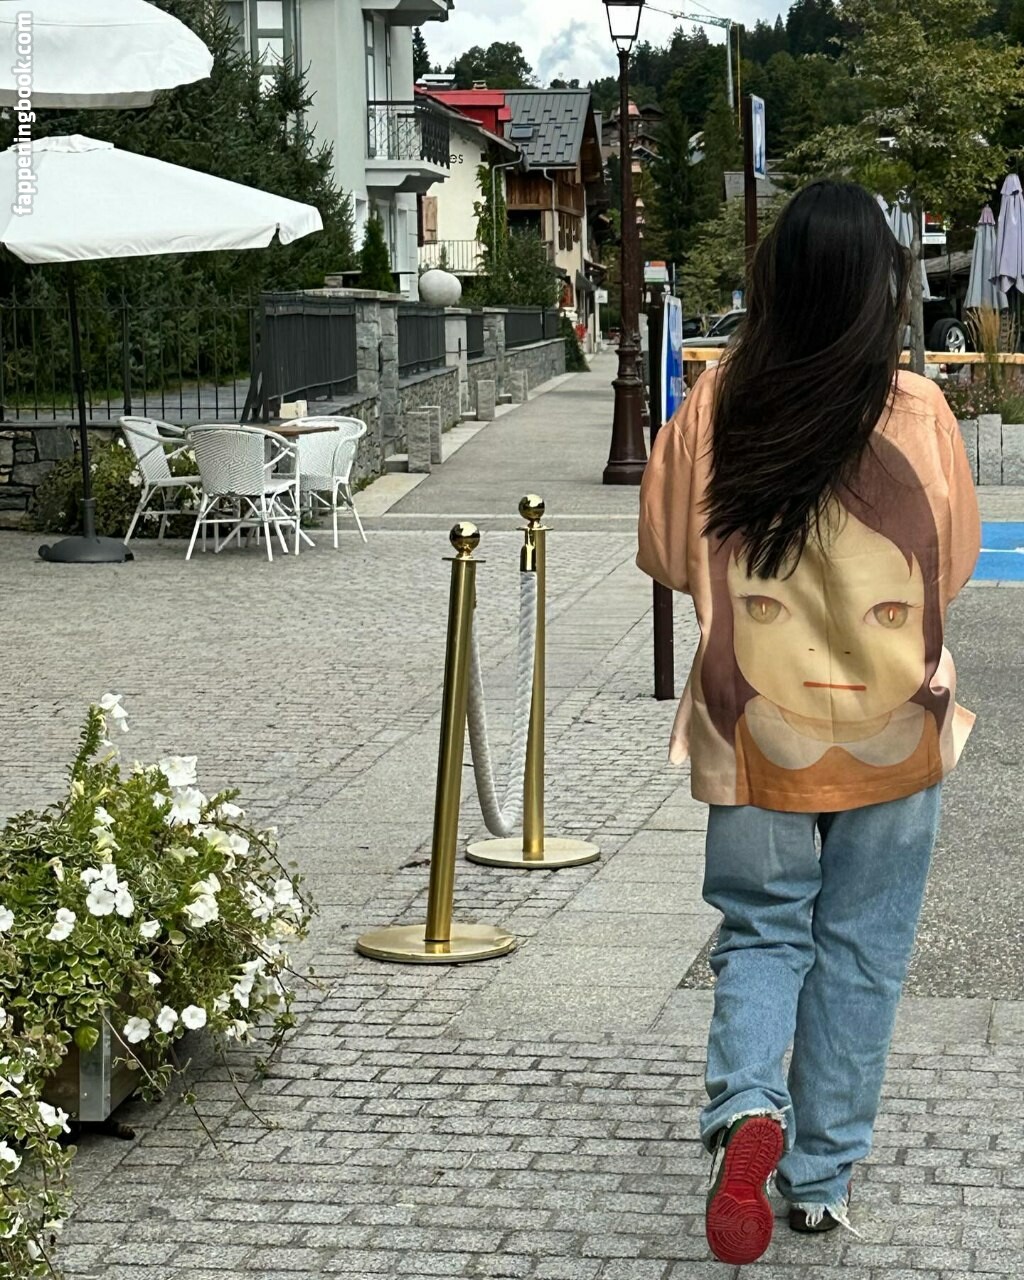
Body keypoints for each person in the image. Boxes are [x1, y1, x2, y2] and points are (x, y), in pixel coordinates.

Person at [636, 180, 980, 1267]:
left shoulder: (717, 403)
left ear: (774, 281)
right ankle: (820, 1180)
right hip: (897, 723)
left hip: (752, 724)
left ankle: (747, 1104)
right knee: (863, 949)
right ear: (883, 288)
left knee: (762, 928)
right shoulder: (916, 409)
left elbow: (665, 550)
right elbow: (950, 567)